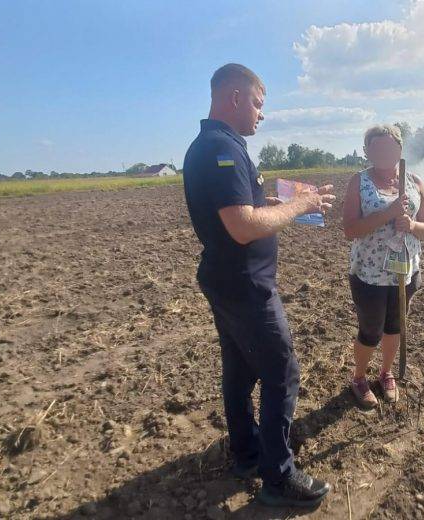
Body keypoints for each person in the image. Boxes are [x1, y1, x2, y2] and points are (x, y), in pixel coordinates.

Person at [182, 63, 335, 507]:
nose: (261, 115)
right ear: (234, 97)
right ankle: (278, 476)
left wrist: (293, 202)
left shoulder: (215, 144)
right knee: (281, 372)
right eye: (257, 103)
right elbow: (243, 225)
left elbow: (240, 204)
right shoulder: (219, 149)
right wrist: (299, 205)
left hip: (226, 279)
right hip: (246, 286)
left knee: (240, 369)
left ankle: (247, 453)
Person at [342, 125, 424, 408]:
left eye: (389, 148)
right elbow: (350, 230)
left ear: (399, 149)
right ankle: (359, 378)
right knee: (370, 331)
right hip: (369, 273)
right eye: (377, 148)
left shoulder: (415, 181)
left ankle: (386, 373)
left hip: (404, 271)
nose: (384, 153)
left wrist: (412, 224)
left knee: (395, 327)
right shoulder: (358, 182)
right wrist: (388, 213)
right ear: (367, 152)